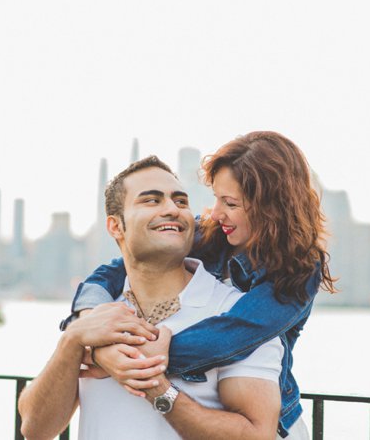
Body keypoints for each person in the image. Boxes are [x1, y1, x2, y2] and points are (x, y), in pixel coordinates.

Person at [67, 131, 336, 438]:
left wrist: (121, 358)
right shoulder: (213, 234)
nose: (217, 212)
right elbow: (111, 272)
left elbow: (231, 336)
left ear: (270, 208)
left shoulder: (299, 268)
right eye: (217, 198)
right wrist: (88, 323)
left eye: (230, 203)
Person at [19, 156, 283, 440]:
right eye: (152, 200)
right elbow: (35, 429)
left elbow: (258, 436)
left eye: (181, 201)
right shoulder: (96, 315)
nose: (172, 209)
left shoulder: (235, 314)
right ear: (115, 227)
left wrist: (155, 385)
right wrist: (71, 341)